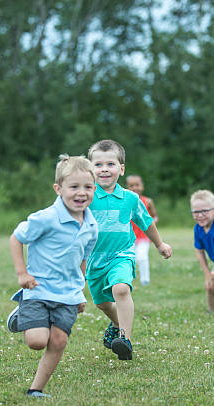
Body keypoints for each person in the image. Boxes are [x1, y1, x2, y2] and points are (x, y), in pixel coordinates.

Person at [7, 155, 98, 398]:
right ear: (58, 189)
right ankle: (24, 313)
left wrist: (80, 293)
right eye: (74, 187)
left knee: (58, 342)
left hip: (68, 294)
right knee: (37, 341)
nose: (81, 193)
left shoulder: (91, 226)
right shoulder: (46, 218)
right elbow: (16, 238)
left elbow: (82, 261)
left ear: (94, 189)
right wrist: (22, 273)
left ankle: (35, 389)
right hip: (38, 288)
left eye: (87, 187)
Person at [87, 139, 172, 361]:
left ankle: (124, 340)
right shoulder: (85, 197)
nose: (104, 169)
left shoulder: (130, 199)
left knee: (121, 289)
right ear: (90, 169)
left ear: (121, 169)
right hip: (94, 260)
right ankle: (116, 324)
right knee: (102, 303)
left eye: (110, 164)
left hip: (121, 255)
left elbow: (147, 223)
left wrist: (160, 244)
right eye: (98, 165)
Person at [126, 174, 159, 286]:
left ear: (142, 186)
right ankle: (128, 279)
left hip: (144, 236)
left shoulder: (148, 201)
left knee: (143, 257)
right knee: (131, 258)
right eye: (131, 186)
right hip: (130, 236)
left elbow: (155, 216)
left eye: (137, 185)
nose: (135, 188)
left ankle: (145, 280)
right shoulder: (126, 201)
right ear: (127, 187)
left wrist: (152, 223)